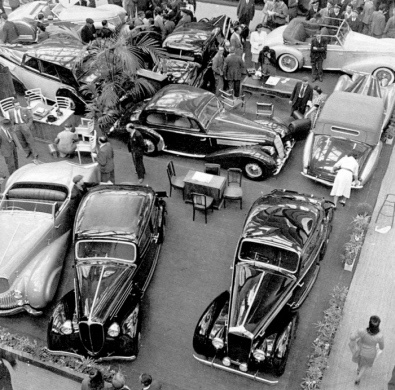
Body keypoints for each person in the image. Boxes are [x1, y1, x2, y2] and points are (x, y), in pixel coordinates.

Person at [349, 315, 384, 385]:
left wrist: (354, 334)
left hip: (360, 350)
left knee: (360, 362)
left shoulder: (362, 331)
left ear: (369, 323)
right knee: (365, 366)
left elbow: (352, 337)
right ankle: (358, 377)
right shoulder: (380, 336)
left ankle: (358, 369)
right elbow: (381, 347)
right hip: (370, 354)